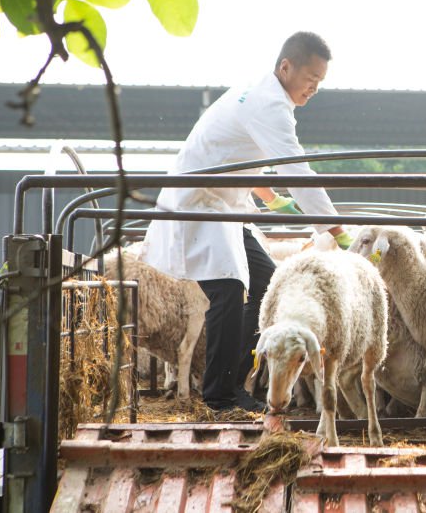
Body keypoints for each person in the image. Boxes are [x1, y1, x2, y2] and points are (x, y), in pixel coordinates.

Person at [141, 31, 352, 412]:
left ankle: (235, 381)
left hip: (224, 207)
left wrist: (271, 200)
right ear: (286, 67)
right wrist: (337, 231)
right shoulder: (268, 104)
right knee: (229, 288)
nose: (315, 89)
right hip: (201, 205)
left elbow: (239, 156)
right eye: (311, 79)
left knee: (267, 280)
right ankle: (219, 395)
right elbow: (297, 169)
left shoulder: (261, 95)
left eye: (320, 82)